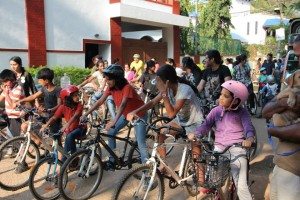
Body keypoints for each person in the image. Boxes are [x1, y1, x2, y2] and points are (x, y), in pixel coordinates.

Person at [127, 64, 204, 173]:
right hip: (181, 121)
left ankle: (202, 186)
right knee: (159, 133)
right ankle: (163, 166)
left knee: (197, 157)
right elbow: (153, 102)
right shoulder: (167, 89)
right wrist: (136, 111)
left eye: (159, 81)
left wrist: (163, 94)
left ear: (166, 81)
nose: (158, 84)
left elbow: (171, 114)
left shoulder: (183, 90)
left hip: (195, 123)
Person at [188, 80, 255, 199]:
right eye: (221, 94)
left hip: (236, 149)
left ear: (236, 100)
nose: (221, 98)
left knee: (241, 186)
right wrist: (196, 133)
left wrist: (249, 138)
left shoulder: (242, 113)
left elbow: (248, 128)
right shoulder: (216, 110)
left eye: (226, 96)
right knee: (214, 181)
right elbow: (206, 125)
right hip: (219, 148)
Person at [81, 64, 149, 168]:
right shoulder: (110, 87)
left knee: (141, 143)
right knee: (111, 132)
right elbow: (100, 101)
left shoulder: (127, 87)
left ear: (117, 79)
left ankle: (148, 169)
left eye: (109, 79)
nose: (107, 82)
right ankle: (113, 160)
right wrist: (86, 113)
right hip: (126, 114)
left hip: (139, 114)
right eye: (106, 79)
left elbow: (122, 105)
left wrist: (113, 122)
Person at [262, 34, 300, 200]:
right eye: (298, 56)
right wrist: (286, 102)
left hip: (295, 172)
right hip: (281, 164)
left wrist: (274, 131)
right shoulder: (295, 76)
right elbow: (266, 111)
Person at [16, 68, 62, 145]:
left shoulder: (57, 89)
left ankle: (61, 156)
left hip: (54, 117)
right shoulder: (44, 88)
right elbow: (33, 96)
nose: (39, 82)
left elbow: (59, 105)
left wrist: (49, 110)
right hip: (43, 115)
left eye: (40, 80)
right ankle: (39, 141)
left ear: (46, 80)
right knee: (24, 126)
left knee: (57, 142)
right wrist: (20, 101)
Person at [40, 85, 87, 161]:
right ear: (68, 97)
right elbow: (54, 117)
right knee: (64, 152)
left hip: (80, 128)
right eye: (75, 96)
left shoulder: (79, 106)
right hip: (70, 130)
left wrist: (66, 125)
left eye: (78, 95)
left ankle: (75, 158)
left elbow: (75, 116)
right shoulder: (62, 107)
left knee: (69, 137)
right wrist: (46, 125)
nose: (78, 97)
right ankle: (63, 169)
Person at [0, 69, 25, 138]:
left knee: (14, 139)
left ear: (11, 80)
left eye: (5, 81)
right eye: (3, 82)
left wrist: (6, 93)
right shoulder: (8, 88)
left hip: (16, 116)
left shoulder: (18, 89)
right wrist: (4, 92)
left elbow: (13, 106)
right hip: (9, 115)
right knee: (10, 138)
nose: (4, 83)